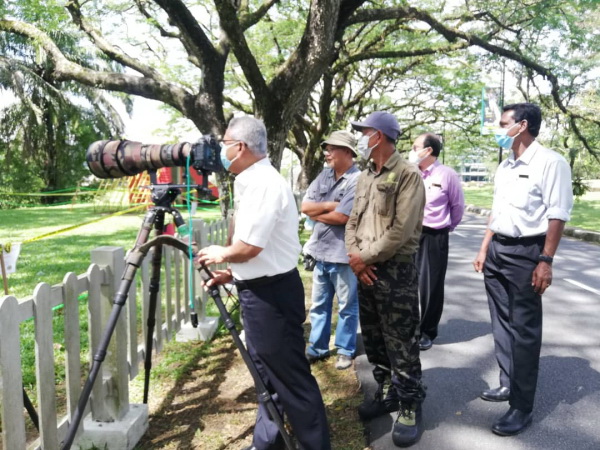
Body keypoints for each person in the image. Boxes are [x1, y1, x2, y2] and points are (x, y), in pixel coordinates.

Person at [197, 116, 331, 450]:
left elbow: (248, 247)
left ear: (239, 147)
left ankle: (315, 444)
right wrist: (233, 273)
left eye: (225, 142)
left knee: (290, 377)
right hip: (261, 289)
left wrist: (221, 254)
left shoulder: (263, 184)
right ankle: (268, 441)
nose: (221, 149)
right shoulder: (251, 180)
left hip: (272, 295)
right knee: (265, 374)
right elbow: (263, 248)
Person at [473, 103, 573, 437]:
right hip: (498, 251)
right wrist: (485, 248)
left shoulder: (550, 162)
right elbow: (496, 211)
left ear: (522, 125)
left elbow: (557, 214)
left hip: (528, 251)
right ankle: (508, 382)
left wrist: (545, 261)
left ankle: (521, 406)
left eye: (503, 123)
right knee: (501, 322)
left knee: (524, 330)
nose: (498, 129)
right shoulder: (506, 166)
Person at [345, 111, 426, 447]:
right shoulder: (365, 175)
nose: (360, 138)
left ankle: (410, 403)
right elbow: (352, 221)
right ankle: (387, 390)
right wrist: (355, 257)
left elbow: (400, 231)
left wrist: (362, 258)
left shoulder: (408, 175)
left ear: (378, 135)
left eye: (363, 132)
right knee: (375, 337)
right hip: (364, 268)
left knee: (401, 341)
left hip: (395, 270)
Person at [301, 130, 361, 370]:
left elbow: (343, 216)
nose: (326, 153)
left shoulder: (357, 180)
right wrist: (329, 205)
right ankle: (318, 347)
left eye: (331, 148)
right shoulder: (324, 175)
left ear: (347, 152)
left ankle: (346, 349)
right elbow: (305, 207)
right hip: (320, 251)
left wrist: (321, 213)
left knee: (347, 306)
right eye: (326, 148)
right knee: (319, 304)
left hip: (343, 254)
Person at [408, 133, 464, 351]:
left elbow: (457, 207)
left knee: (430, 285)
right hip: (410, 234)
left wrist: (446, 227)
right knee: (407, 282)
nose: (412, 151)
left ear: (428, 150)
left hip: (434, 235)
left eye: (415, 147)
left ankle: (427, 330)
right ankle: (409, 327)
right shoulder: (411, 173)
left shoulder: (446, 175)